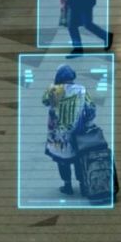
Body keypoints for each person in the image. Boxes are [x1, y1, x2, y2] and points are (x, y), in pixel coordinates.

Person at [42, 64, 96, 198]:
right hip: (78, 133)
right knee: (79, 159)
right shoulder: (81, 90)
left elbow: (45, 102)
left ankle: (67, 186)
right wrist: (87, 123)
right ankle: (83, 186)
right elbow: (91, 108)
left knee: (62, 160)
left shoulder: (53, 89)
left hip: (58, 135)